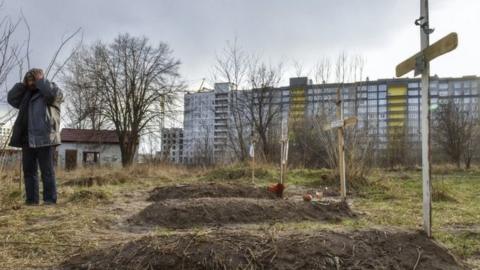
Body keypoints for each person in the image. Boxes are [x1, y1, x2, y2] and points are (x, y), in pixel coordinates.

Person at [7, 68, 63, 205]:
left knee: (47, 172)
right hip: (27, 138)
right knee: (29, 171)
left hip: (45, 138)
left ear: (41, 78)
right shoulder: (25, 95)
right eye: (29, 79)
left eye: (34, 78)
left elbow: (53, 95)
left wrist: (40, 80)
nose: (32, 82)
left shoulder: (50, 90)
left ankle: (50, 200)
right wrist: (23, 84)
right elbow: (11, 98)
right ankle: (31, 201)